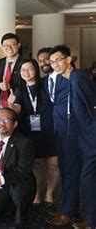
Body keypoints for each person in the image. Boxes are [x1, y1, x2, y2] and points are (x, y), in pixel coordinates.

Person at [46, 45, 96, 228]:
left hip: (86, 136)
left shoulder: (79, 78)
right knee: (73, 174)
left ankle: (91, 220)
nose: (55, 64)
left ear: (69, 59)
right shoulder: (63, 78)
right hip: (70, 134)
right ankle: (74, 213)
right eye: (52, 62)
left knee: (88, 178)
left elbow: (92, 104)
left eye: (58, 59)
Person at [8, 59, 59, 209]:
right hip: (30, 130)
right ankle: (36, 194)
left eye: (29, 69)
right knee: (36, 164)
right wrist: (11, 104)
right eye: (23, 70)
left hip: (49, 129)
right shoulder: (19, 88)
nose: (26, 73)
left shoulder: (45, 84)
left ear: (36, 70)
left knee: (53, 163)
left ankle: (50, 193)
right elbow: (17, 109)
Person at [0, 108, 36, 228]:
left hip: (17, 182)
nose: (2, 123)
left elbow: (23, 171)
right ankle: (9, 205)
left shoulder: (25, 143)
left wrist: (2, 179)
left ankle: (21, 213)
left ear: (15, 124)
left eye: (6, 120)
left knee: (19, 193)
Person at [0, 33, 23, 111]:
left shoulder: (25, 62)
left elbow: (27, 84)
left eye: (13, 45)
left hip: (17, 105)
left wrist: (10, 86)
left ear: (18, 45)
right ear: (2, 47)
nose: (9, 48)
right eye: (6, 46)